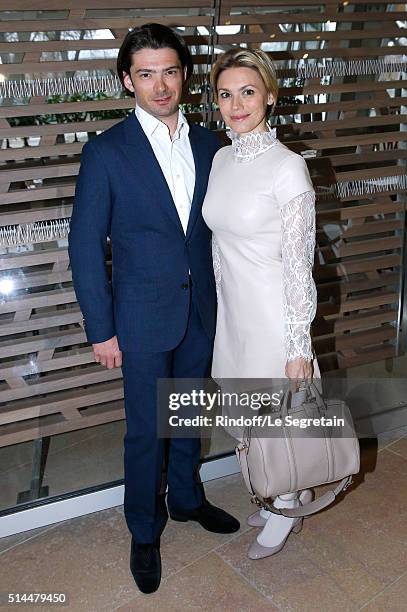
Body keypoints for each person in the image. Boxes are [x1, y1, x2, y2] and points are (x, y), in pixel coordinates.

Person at [68, 23, 239, 595]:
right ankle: (145, 527)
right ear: (127, 80)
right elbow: (86, 247)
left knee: (189, 413)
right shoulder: (107, 151)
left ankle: (188, 499)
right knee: (146, 430)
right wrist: (102, 330)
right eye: (146, 74)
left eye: (169, 71)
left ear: (183, 75)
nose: (160, 85)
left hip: (200, 311)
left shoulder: (213, 146)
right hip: (139, 318)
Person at [202, 48, 320, 560]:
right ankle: (278, 489)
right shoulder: (222, 159)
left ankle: (289, 501)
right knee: (247, 416)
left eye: (248, 91)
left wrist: (298, 342)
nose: (236, 104)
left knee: (279, 419)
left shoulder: (288, 168)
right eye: (225, 94)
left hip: (275, 317)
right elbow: (218, 243)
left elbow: (299, 263)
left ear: (269, 96)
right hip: (235, 316)